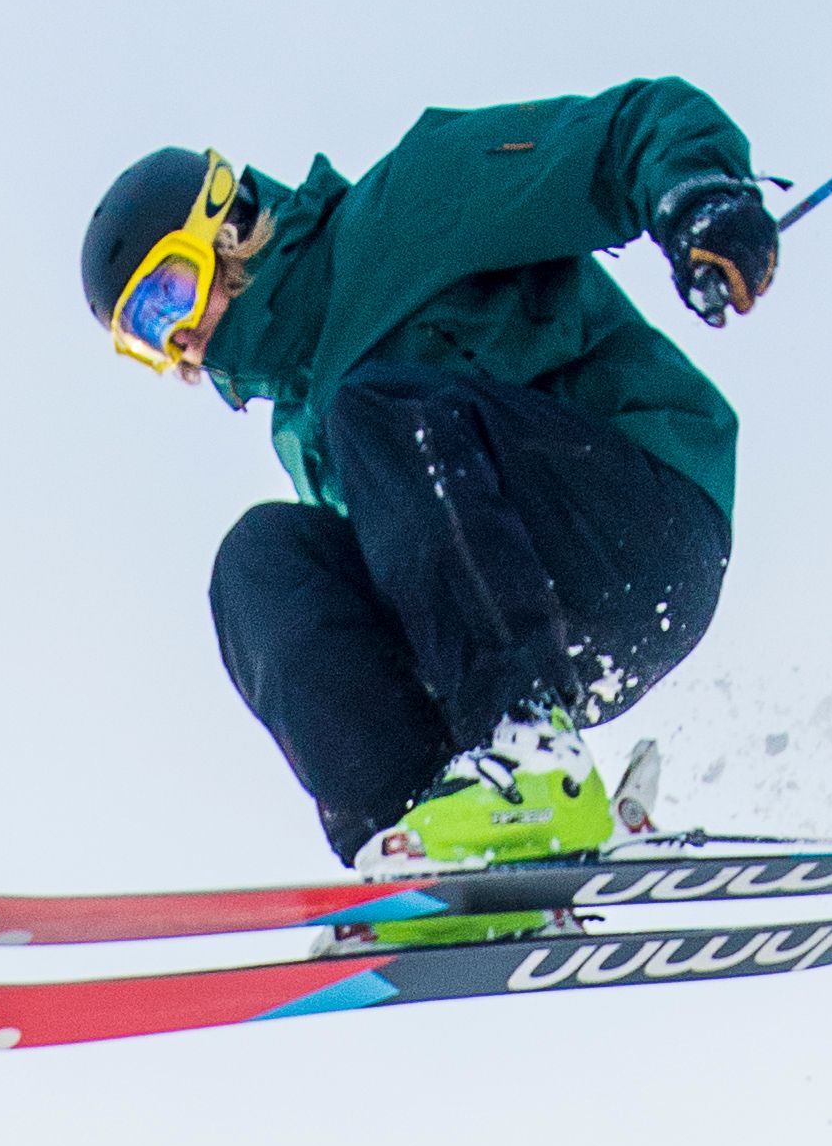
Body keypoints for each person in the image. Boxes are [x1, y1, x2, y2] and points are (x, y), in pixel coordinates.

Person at [78, 84, 780, 878]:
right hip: (537, 619)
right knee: (263, 563)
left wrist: (698, 195)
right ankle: (422, 843)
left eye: (169, 292)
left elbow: (621, 131)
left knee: (372, 406)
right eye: (146, 335)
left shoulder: (409, 205)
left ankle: (533, 758)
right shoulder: (303, 428)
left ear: (226, 222)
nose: (180, 337)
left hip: (641, 517)